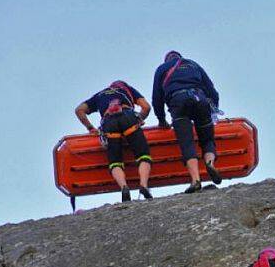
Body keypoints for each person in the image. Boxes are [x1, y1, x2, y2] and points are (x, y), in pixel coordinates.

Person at [152, 50, 222, 194]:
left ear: (167, 60)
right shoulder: (193, 64)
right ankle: (210, 163)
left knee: (187, 143)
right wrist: (214, 109)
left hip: (178, 102)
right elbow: (212, 90)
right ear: (180, 57)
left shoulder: (162, 68)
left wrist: (161, 119)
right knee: (207, 139)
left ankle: (196, 180)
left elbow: (157, 97)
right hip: (200, 99)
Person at [75, 81, 153, 202]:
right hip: (128, 118)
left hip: (109, 122)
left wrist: (90, 128)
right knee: (143, 155)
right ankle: (143, 185)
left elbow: (79, 110)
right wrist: (139, 119)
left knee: (115, 161)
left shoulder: (99, 95)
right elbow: (146, 107)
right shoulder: (127, 90)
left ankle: (124, 187)